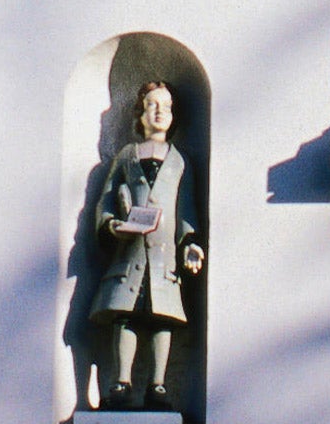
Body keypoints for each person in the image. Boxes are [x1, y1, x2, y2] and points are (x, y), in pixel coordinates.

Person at [90, 81, 205, 411]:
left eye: (166, 107)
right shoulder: (127, 156)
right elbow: (108, 199)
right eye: (153, 105)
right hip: (129, 256)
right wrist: (113, 225)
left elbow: (186, 208)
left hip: (163, 259)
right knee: (124, 317)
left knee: (161, 319)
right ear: (140, 113)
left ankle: (158, 384)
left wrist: (190, 244)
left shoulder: (179, 162)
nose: (160, 112)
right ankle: (121, 381)